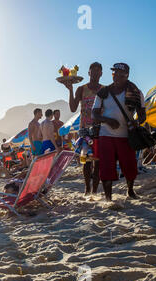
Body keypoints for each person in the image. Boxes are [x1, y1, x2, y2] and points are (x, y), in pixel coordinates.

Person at [92, 63, 146, 201]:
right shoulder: (103, 92)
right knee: (106, 167)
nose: (117, 77)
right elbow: (94, 114)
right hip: (106, 134)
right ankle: (108, 198)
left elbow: (142, 116)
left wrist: (136, 122)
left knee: (129, 165)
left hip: (126, 135)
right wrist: (108, 120)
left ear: (127, 76)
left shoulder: (136, 92)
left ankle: (130, 190)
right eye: (114, 74)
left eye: (120, 75)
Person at [65, 62, 104, 195]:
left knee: (97, 162)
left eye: (98, 71)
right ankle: (87, 189)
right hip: (85, 130)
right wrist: (70, 89)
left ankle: (94, 191)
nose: (95, 73)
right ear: (89, 73)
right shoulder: (81, 89)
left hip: (100, 129)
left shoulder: (105, 90)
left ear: (101, 74)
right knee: (86, 161)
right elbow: (72, 108)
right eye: (93, 71)